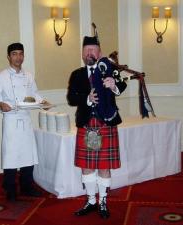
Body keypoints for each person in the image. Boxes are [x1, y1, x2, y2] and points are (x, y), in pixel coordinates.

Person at [67, 36, 127, 219]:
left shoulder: (109, 69)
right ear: (82, 54)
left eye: (93, 50)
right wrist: (87, 99)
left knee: (103, 166)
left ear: (99, 53)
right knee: (87, 166)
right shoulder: (77, 74)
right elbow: (71, 98)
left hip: (105, 124)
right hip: (88, 125)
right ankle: (91, 200)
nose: (89, 53)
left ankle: (103, 201)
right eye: (86, 50)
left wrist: (113, 85)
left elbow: (122, 86)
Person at [0, 42, 46, 201]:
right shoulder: (1, 77)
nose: (18, 57)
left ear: (23, 56)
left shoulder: (29, 75)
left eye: (20, 53)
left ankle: (27, 186)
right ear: (8, 56)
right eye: (14, 54)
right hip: (11, 120)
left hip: (25, 119)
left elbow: (34, 93)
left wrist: (43, 102)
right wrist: (0, 103)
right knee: (11, 156)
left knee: (28, 154)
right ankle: (10, 189)